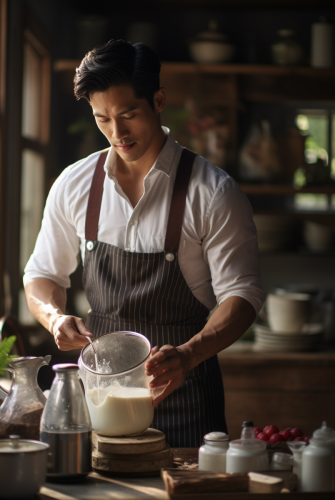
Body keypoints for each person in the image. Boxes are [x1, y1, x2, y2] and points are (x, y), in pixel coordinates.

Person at [24, 40, 264, 447]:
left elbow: (242, 294)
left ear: (158, 99)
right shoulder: (74, 185)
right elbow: (43, 274)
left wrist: (187, 355)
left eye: (128, 115)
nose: (117, 133)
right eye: (102, 119)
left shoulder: (213, 192)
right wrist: (54, 318)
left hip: (187, 395)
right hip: (100, 398)